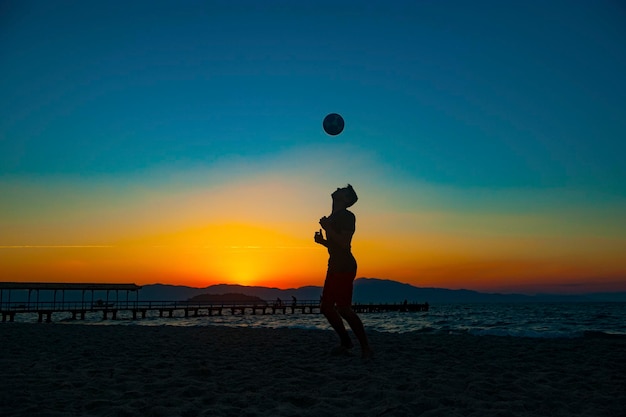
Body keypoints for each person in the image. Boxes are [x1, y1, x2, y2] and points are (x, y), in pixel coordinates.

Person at [314, 184, 373, 359]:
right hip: (334, 266)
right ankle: (346, 342)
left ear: (346, 199)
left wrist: (327, 227)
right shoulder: (334, 216)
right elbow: (336, 244)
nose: (338, 189)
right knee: (326, 308)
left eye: (343, 190)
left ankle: (366, 348)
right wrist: (323, 242)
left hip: (344, 267)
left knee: (344, 309)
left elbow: (345, 243)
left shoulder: (347, 216)